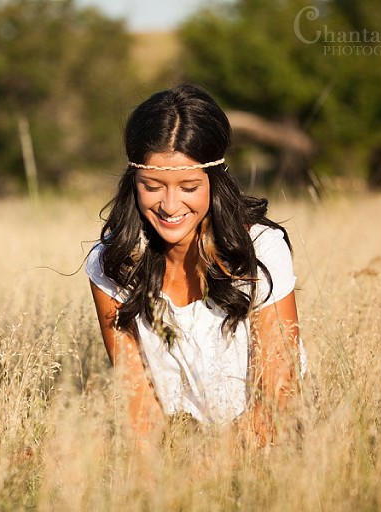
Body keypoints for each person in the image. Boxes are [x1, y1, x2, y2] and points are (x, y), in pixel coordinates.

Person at [86, 84, 306, 446]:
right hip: (171, 457)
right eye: (153, 186)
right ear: (133, 181)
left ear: (214, 181)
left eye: (188, 187)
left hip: (265, 453)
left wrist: (215, 469)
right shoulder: (111, 263)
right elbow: (137, 403)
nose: (170, 206)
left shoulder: (261, 250)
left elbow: (278, 394)